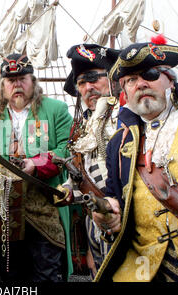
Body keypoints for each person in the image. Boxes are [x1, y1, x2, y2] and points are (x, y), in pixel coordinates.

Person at [93, 40, 178, 282]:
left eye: (149, 74)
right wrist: (109, 216)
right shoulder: (117, 144)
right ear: (125, 93)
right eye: (130, 80)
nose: (140, 84)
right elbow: (115, 197)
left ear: (169, 79)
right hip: (147, 269)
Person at [0, 53, 73, 282]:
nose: (17, 84)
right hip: (5, 207)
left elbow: (68, 148)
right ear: (3, 86)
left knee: (46, 271)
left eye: (23, 78)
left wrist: (36, 163)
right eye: (10, 81)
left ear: (33, 82)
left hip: (45, 203)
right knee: (10, 272)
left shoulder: (56, 109)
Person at [61, 44, 120, 278]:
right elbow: (79, 175)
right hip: (95, 222)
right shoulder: (83, 125)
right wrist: (63, 190)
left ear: (113, 80)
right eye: (82, 83)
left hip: (128, 219)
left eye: (95, 78)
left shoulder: (128, 116)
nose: (88, 87)